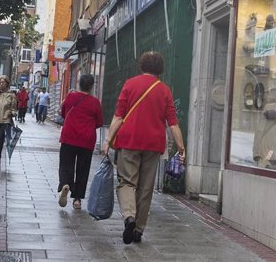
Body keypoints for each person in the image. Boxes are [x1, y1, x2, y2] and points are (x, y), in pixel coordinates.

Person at [103, 51, 185, 245]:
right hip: (153, 144)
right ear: (160, 69)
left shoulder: (130, 84)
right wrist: (181, 147)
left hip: (129, 140)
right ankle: (139, 229)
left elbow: (119, 116)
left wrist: (108, 140)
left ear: (142, 65)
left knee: (127, 182)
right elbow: (172, 123)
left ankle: (129, 216)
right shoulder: (164, 90)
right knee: (146, 187)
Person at [57, 74, 103, 210]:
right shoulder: (95, 102)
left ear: (79, 84)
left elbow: (64, 114)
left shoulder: (71, 97)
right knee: (83, 170)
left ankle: (66, 183)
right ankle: (77, 199)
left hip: (69, 137)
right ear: (92, 86)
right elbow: (100, 122)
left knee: (66, 164)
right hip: (86, 140)